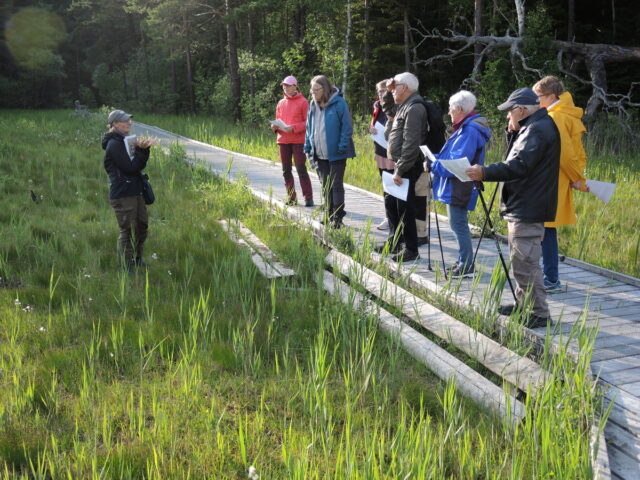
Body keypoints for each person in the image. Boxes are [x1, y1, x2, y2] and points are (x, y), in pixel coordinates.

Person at [466, 88, 560, 328]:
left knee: (526, 262)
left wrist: (484, 172)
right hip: (525, 203)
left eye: (510, 112)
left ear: (521, 110)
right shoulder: (533, 127)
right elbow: (518, 159)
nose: (508, 116)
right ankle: (523, 304)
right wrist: (512, 134)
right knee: (520, 261)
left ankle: (539, 314)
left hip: (528, 206)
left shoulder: (537, 129)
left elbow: (518, 165)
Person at [532, 75, 588, 294]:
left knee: (547, 228)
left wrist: (577, 178)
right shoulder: (561, 113)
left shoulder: (556, 116)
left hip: (553, 178)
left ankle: (551, 278)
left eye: (538, 96)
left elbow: (565, 153)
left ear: (552, 96)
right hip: (556, 177)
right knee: (545, 227)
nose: (536, 100)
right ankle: (548, 276)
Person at [431, 90, 491, 278]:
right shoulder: (465, 128)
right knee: (457, 223)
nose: (449, 111)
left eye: (450, 108)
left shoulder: (469, 130)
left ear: (459, 109)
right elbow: (452, 156)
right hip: (459, 183)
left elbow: (457, 164)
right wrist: (436, 159)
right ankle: (462, 261)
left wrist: (433, 165)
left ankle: (466, 266)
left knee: (458, 224)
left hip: (460, 183)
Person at [379, 71, 428, 262]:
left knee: (405, 208)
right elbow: (388, 110)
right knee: (391, 203)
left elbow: (411, 143)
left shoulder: (415, 108)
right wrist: (388, 91)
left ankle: (411, 249)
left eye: (395, 87)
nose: (392, 90)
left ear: (405, 87)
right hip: (399, 162)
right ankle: (395, 241)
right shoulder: (404, 105)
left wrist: (400, 170)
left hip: (407, 164)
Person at [102, 109, 156, 271]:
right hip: (123, 194)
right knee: (127, 230)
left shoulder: (126, 140)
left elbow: (136, 166)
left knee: (142, 226)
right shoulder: (114, 144)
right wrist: (143, 150)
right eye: (125, 120)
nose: (129, 123)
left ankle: (137, 259)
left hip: (135, 190)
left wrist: (143, 149)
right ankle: (126, 266)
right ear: (115, 124)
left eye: (129, 120)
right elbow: (131, 167)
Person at [304, 75, 356, 229]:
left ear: (325, 89)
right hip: (319, 153)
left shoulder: (339, 103)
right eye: (312, 90)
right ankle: (328, 214)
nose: (313, 93)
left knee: (336, 185)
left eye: (316, 90)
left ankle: (338, 218)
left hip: (337, 153)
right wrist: (308, 146)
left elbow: (347, 127)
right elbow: (309, 128)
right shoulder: (313, 105)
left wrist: (342, 146)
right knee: (325, 185)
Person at [272, 75, 314, 207]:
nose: (285, 87)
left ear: (295, 86)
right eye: (284, 85)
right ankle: (291, 198)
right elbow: (278, 120)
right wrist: (274, 126)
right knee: (286, 170)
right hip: (283, 140)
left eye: (288, 85)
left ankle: (308, 198)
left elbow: (308, 122)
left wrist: (294, 127)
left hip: (298, 140)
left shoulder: (303, 102)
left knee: (301, 168)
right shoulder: (281, 103)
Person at [369, 79, 396, 230]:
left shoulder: (395, 106)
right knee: (386, 185)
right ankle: (389, 217)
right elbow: (374, 124)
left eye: (384, 91)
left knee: (393, 185)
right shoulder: (377, 106)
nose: (381, 94)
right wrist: (371, 128)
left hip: (392, 153)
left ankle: (394, 219)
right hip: (380, 150)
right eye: (379, 91)